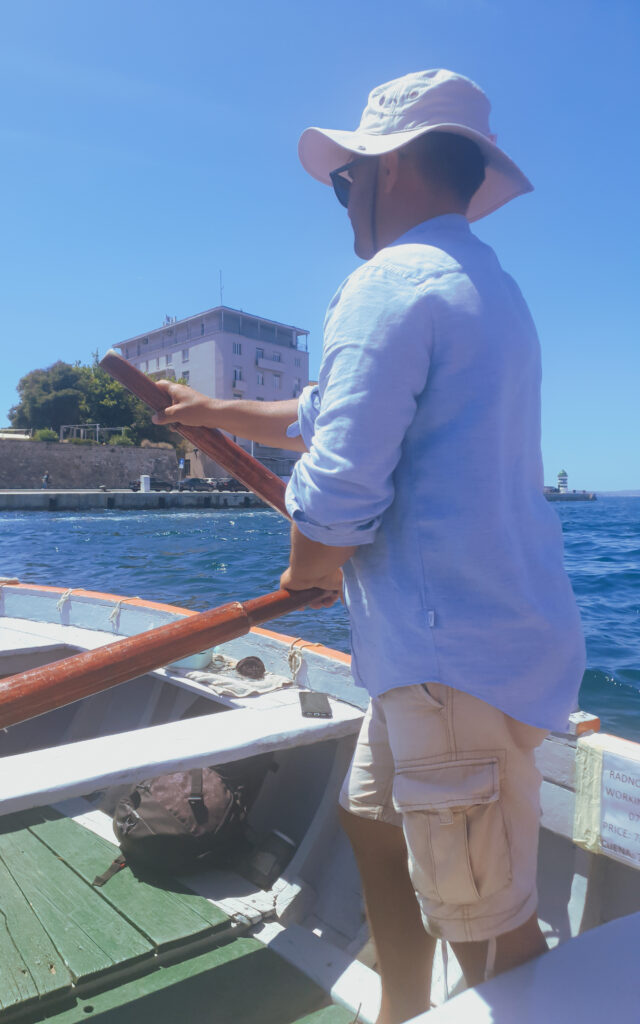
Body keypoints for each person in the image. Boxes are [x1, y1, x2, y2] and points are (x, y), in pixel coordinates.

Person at [152, 69, 585, 1023]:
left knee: (492, 936)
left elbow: (340, 490)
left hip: (445, 665)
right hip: (480, 650)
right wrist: (209, 411)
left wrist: (309, 572)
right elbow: (322, 414)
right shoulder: (485, 287)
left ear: (385, 171)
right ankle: (398, 1009)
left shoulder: (386, 285)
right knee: (366, 817)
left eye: (344, 182)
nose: (341, 202)